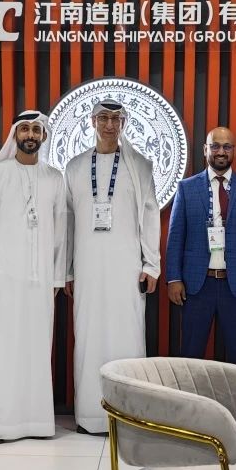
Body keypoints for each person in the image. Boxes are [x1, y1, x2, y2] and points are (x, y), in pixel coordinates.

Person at [167, 125, 236, 441]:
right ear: (205, 150)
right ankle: (186, 420)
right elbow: (175, 237)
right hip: (196, 286)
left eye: (227, 146)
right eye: (215, 146)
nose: (221, 152)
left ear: (234, 150)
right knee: (190, 355)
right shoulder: (187, 188)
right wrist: (174, 278)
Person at [64, 99, 161, 434]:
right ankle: (90, 416)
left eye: (116, 119)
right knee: (88, 337)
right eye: (103, 118)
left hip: (127, 268)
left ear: (123, 124)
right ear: (92, 122)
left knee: (127, 337)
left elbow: (150, 215)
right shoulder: (75, 167)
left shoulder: (140, 165)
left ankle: (128, 416)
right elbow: (67, 222)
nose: (109, 125)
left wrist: (151, 264)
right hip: (88, 267)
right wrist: (67, 270)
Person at [0, 111, 67, 442]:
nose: (30, 134)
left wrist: (57, 278)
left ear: (43, 136)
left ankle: (36, 423)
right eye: (25, 129)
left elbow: (61, 231)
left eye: (36, 130)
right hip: (3, 279)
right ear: (15, 134)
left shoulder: (54, 178)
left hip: (40, 280)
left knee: (36, 348)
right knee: (3, 348)